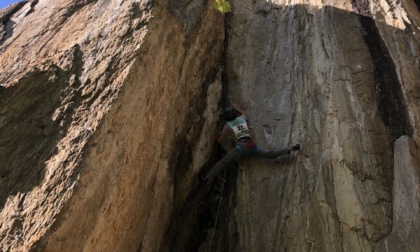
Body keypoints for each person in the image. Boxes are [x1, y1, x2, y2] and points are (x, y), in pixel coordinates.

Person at [203, 103, 300, 183]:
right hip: (251, 145)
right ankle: (290, 149)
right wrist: (235, 106)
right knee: (269, 154)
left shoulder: (227, 126)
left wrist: (216, 139)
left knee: (224, 161)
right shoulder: (241, 119)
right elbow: (243, 113)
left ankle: (208, 177)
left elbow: (219, 140)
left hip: (241, 147)